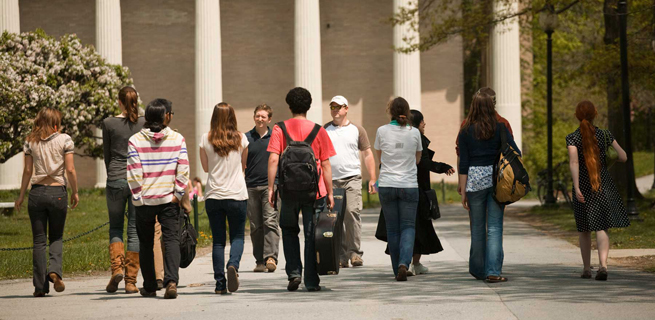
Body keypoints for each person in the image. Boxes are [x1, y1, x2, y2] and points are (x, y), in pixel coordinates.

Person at [267, 87, 336, 292]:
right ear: (309, 106)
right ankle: (312, 281)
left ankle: (294, 273)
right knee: (311, 233)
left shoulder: (280, 129)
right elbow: (326, 165)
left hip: (288, 191)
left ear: (289, 106)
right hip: (314, 191)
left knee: (288, 231)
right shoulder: (319, 130)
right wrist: (331, 193)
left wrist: (271, 188)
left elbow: (273, 159)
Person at [127, 99, 191, 299]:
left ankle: (150, 285)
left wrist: (138, 198)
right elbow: (183, 170)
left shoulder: (135, 140)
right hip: (168, 200)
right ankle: (171, 281)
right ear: (166, 117)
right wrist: (178, 195)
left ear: (146, 118)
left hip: (145, 201)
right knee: (171, 240)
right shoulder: (177, 139)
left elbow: (134, 173)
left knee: (146, 243)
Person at [15, 107, 79, 297]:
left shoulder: (29, 142)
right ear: (55, 124)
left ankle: (40, 287)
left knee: (38, 241)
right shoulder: (65, 139)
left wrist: (20, 196)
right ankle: (55, 271)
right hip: (57, 192)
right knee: (56, 237)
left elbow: (27, 171)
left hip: (36, 193)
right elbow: (70, 169)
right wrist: (75, 192)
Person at [458, 90, 520, 283]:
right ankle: (493, 271)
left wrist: (462, 191)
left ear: (473, 106)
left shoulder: (465, 130)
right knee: (494, 227)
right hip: (496, 182)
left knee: (477, 228)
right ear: (491, 106)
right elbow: (515, 152)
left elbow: (464, 162)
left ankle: (477, 269)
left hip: (474, 181)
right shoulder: (501, 127)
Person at [566, 100, 629, 281]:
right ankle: (603, 265)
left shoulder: (572, 138)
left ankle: (586, 269)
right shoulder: (605, 135)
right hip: (602, 184)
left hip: (583, 185)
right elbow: (623, 157)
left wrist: (577, 187)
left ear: (577, 116)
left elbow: (574, 162)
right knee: (601, 227)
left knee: (584, 229)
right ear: (595, 114)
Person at [199, 102, 249, 294]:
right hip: (236, 194)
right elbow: (244, 165)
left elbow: (205, 168)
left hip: (214, 194)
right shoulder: (242, 139)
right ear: (232, 117)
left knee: (218, 241)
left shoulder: (205, 139)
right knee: (237, 236)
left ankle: (220, 284)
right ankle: (233, 265)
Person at [324, 95, 377, 268]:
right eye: (332, 107)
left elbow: (368, 153)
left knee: (352, 212)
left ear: (346, 108)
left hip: (352, 178)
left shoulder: (357, 129)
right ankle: (341, 255)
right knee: (335, 218)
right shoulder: (325, 130)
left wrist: (372, 178)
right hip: (331, 180)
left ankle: (354, 253)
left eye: (339, 107)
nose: (335, 110)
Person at [102, 86, 145, 294]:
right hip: (136, 179)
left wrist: (112, 174)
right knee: (134, 229)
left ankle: (116, 269)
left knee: (116, 227)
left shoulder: (109, 123)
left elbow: (107, 155)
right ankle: (130, 281)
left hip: (115, 178)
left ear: (119, 102)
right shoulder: (143, 123)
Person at [374, 97, 422, 281]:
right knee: (408, 226)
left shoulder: (381, 131)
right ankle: (404, 262)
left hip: (387, 183)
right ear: (408, 112)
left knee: (393, 229)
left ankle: (397, 269)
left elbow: (381, 158)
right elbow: (418, 159)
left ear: (390, 111)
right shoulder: (414, 132)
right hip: (409, 184)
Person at [407, 109, 454, 275]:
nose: (424, 124)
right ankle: (412, 263)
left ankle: (407, 263)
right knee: (418, 226)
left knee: (405, 225)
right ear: (416, 123)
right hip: (417, 188)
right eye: (422, 121)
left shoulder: (400, 136)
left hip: (399, 185)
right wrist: (443, 167)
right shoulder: (417, 137)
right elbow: (425, 163)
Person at [455, 87, 513, 196]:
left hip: (474, 180)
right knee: (495, 212)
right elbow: (512, 152)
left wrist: (461, 182)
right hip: (499, 179)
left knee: (476, 212)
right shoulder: (503, 124)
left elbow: (461, 156)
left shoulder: (466, 125)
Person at [245, 104, 280, 273]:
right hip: (250, 186)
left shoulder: (276, 137)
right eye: (257, 116)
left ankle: (271, 257)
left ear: (269, 119)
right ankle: (259, 260)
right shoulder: (246, 138)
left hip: (269, 186)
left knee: (270, 221)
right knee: (255, 225)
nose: (260, 119)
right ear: (254, 117)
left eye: (263, 117)